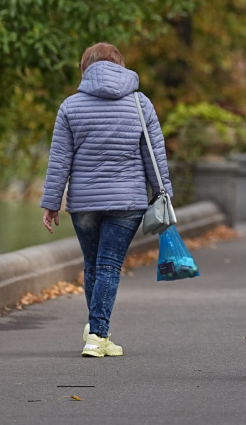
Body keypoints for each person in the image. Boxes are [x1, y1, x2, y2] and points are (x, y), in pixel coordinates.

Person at [40, 42, 172, 358]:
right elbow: (154, 156)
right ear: (120, 67)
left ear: (85, 69)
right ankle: (98, 335)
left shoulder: (70, 107)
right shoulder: (141, 104)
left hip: (84, 202)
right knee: (109, 264)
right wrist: (163, 194)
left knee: (93, 264)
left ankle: (98, 331)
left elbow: (60, 159)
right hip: (127, 201)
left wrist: (51, 202)